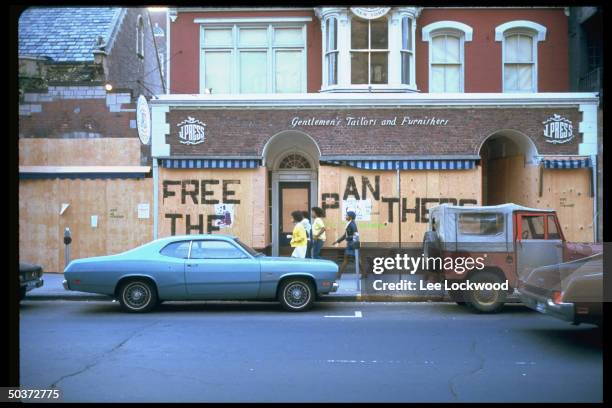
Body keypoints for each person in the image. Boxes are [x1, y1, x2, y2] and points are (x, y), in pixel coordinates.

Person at [333, 211, 363, 275]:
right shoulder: (349, 224)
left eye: (346, 215)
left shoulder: (352, 224)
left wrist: (348, 238)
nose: (345, 216)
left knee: (356, 260)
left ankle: (364, 273)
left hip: (353, 244)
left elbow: (356, 235)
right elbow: (345, 235)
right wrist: (337, 241)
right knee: (347, 259)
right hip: (350, 244)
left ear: (350, 217)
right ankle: (339, 275)